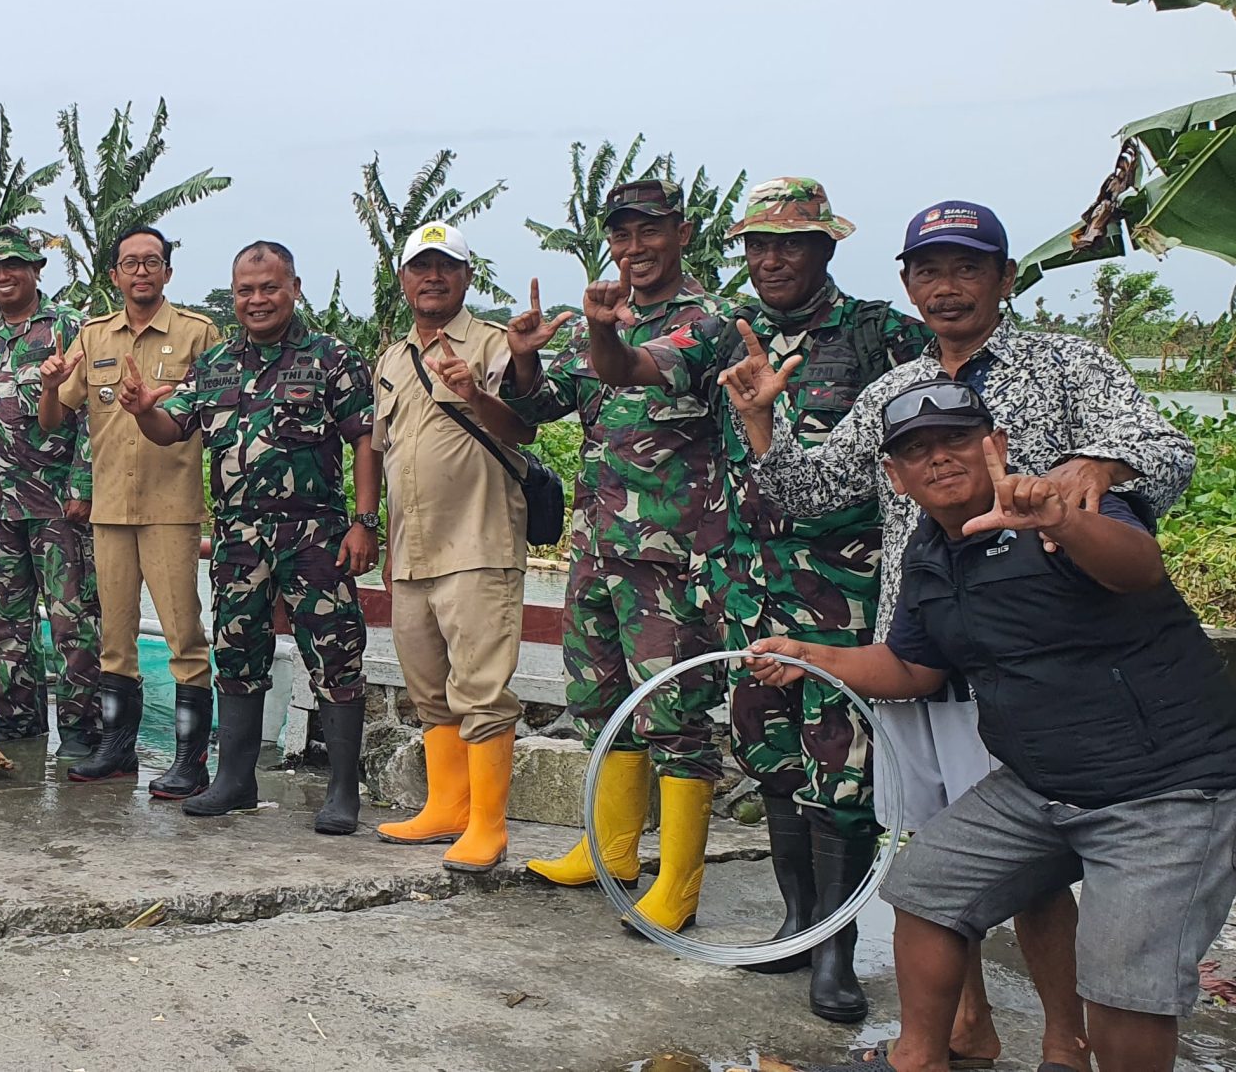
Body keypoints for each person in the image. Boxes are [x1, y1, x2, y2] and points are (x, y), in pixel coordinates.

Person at [729, 199, 1195, 1069]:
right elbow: (810, 493)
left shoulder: (1064, 364)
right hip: (917, 651)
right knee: (941, 851)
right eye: (929, 270)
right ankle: (966, 1023)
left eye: (967, 267)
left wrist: (1100, 463)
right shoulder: (892, 389)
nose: (946, 287)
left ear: (1005, 277)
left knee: (1035, 867)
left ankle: (1065, 1039)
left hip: (1024, 665)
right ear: (907, 284)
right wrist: (763, 420)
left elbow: (1167, 452)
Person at [742, 381, 1236, 1072]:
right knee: (925, 889)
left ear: (996, 444)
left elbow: (1138, 569)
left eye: (956, 438)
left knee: (1122, 986)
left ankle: (1074, 1048)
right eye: (915, 450)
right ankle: (919, 1058)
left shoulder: (1066, 505)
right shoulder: (928, 554)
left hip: (1168, 787)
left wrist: (1064, 521)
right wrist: (810, 657)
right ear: (894, 476)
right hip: (1041, 783)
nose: (939, 458)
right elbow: (912, 666)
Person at [643, 178, 934, 1016]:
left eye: (792, 243)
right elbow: (637, 365)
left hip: (843, 595)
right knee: (769, 757)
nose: (772, 259)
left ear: (825, 248)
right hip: (747, 588)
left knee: (843, 769)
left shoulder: (880, 334)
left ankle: (837, 949)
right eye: (759, 245)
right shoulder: (724, 333)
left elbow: (948, 408)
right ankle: (798, 923)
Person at [504, 177, 735, 935]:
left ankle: (679, 883)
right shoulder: (595, 321)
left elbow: (627, 366)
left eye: (650, 230)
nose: (635, 248)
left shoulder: (709, 323)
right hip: (597, 546)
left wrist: (603, 332)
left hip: (671, 559)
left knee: (674, 711)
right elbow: (539, 408)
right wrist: (525, 359)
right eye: (622, 234)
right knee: (599, 699)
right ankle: (611, 851)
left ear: (682, 232)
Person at [118, 241, 379, 834]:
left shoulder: (331, 357)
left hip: (314, 534)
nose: (257, 300)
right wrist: (140, 410)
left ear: (295, 288)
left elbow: (365, 438)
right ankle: (235, 781)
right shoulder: (215, 364)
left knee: (335, 654)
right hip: (238, 537)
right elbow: (170, 428)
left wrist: (365, 522)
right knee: (237, 651)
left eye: (269, 288)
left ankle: (343, 792)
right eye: (245, 290)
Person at [366, 222, 535, 873]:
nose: (432, 277)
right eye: (420, 266)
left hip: (478, 542)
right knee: (429, 689)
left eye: (445, 266)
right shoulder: (391, 359)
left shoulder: (494, 345)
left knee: (482, 690)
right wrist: (385, 539)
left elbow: (523, 428)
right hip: (413, 550)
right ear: (403, 280)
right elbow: (385, 452)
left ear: (467, 276)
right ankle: (447, 806)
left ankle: (488, 826)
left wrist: (475, 394)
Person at [37, 226, 225, 792]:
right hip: (110, 509)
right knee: (114, 640)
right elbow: (54, 420)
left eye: (152, 262)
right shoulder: (93, 336)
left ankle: (191, 762)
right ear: (114, 274)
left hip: (171, 508)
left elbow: (220, 413)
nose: (141, 272)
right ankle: (117, 751)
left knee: (183, 637)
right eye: (130, 263)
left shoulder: (198, 333)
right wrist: (48, 386)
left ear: (168, 271)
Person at [0, 227, 99, 749]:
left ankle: (80, 728)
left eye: (13, 266)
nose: (2, 277)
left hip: (56, 504)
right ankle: (18, 722)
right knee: (4, 625)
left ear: (35, 270)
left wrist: (82, 484)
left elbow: (92, 414)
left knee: (73, 621)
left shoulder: (69, 327)